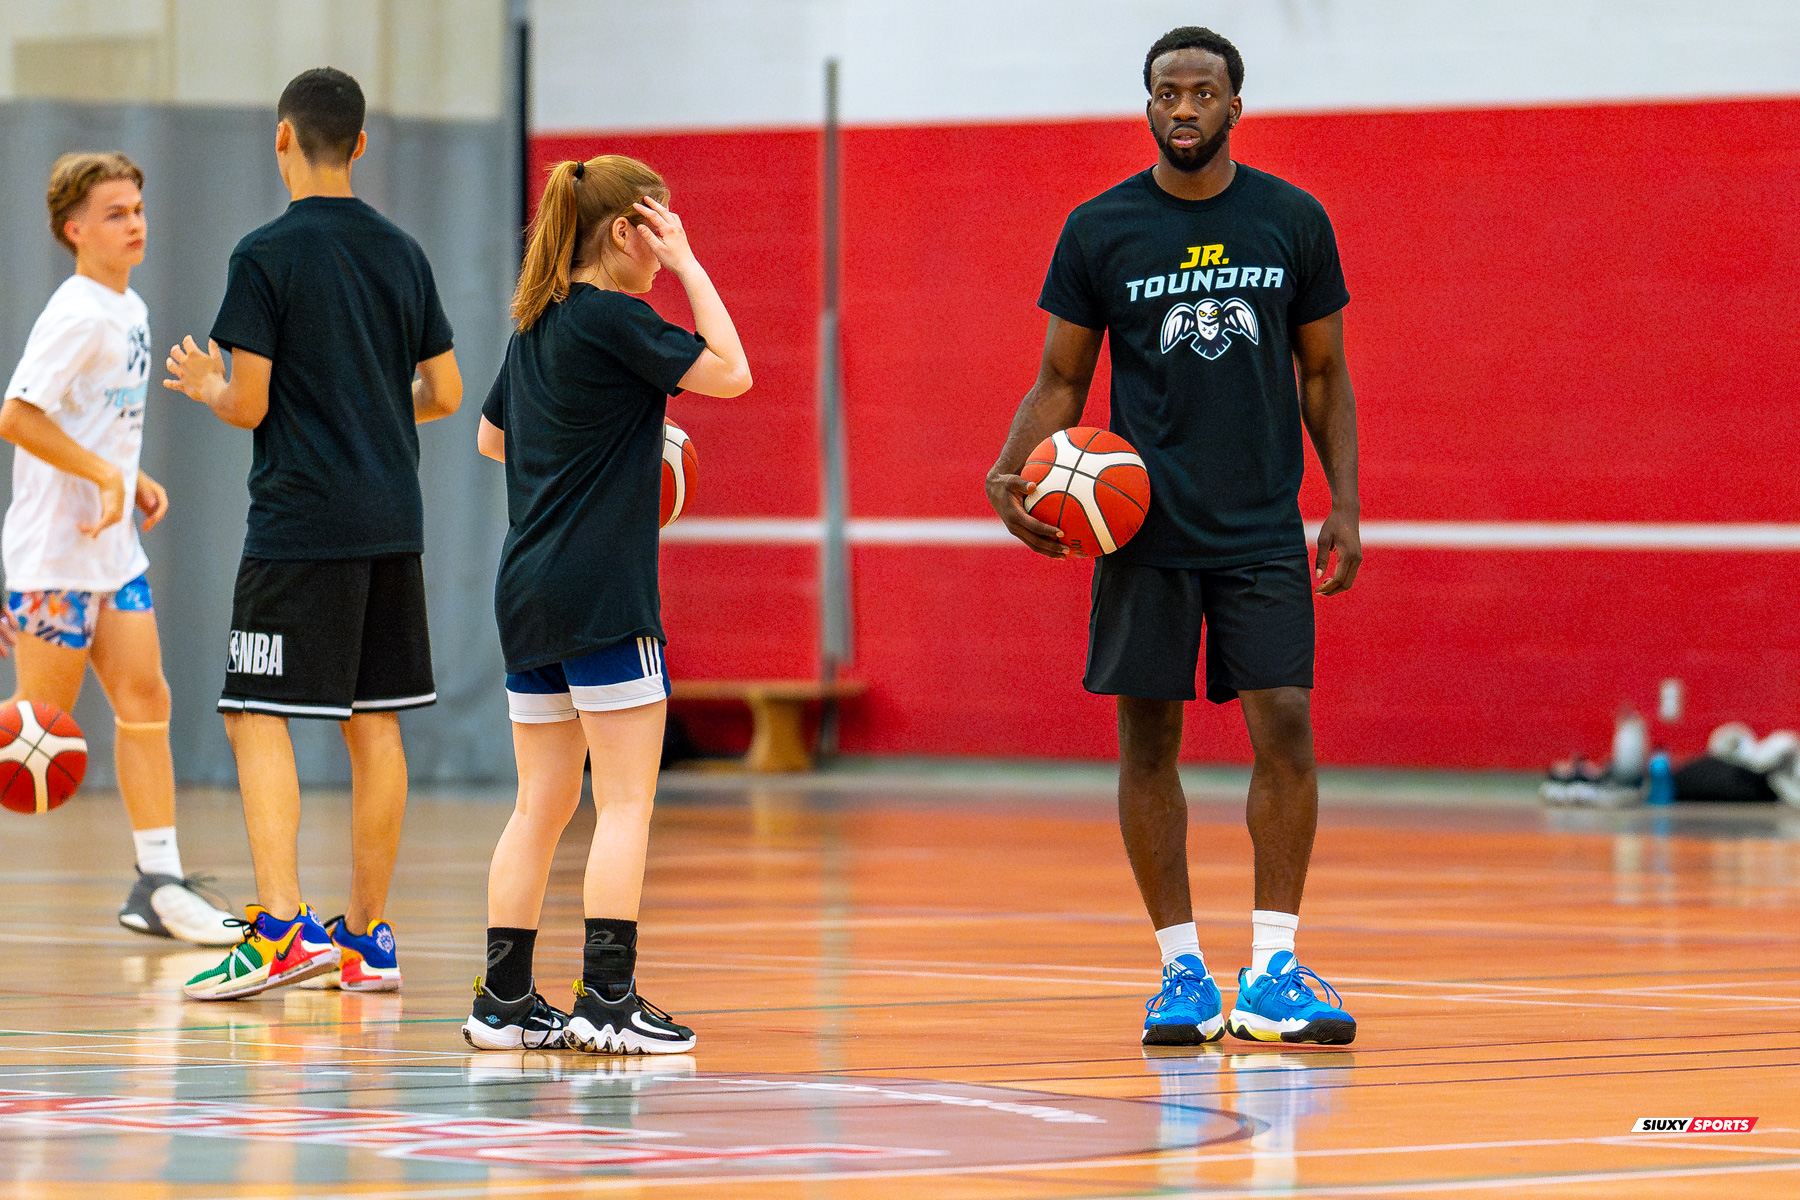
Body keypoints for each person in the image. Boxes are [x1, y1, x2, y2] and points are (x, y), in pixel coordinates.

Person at [985, 27, 1362, 1046]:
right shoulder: (1101, 229)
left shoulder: (1292, 220)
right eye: (1166, 93)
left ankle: (1277, 968)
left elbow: (1322, 374)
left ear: (1236, 107)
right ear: (1146, 106)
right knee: (1148, 743)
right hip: (1143, 532)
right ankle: (1181, 974)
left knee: (1284, 725)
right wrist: (1009, 466)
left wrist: (1346, 504)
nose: (1183, 108)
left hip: (1262, 529)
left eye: (1202, 92)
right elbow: (1063, 377)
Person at [163, 68, 463, 1000]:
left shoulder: (264, 254)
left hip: (301, 520)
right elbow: (445, 395)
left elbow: (249, 401)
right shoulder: (403, 251)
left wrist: (212, 390)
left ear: (281, 136)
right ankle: (369, 940)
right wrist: (374, 404)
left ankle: (281, 930)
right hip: (392, 520)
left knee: (252, 711)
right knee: (374, 724)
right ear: (361, 145)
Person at [462, 155, 749, 1053]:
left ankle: (502, 1000)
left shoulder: (536, 324)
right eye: (657, 231)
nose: (663, 251)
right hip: (602, 591)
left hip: (526, 589)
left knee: (538, 804)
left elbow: (487, 438)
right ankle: (609, 999)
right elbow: (732, 372)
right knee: (624, 803)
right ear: (627, 230)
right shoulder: (617, 318)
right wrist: (695, 265)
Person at [0, 152, 237, 946]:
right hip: (54, 561)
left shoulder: (128, 308)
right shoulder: (76, 313)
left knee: (149, 701)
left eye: (137, 207)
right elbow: (18, 416)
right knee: (37, 732)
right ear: (75, 230)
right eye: (114, 213)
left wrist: (129, 478)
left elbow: (87, 422)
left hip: (114, 556)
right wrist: (104, 469)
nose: (134, 223)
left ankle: (158, 883)